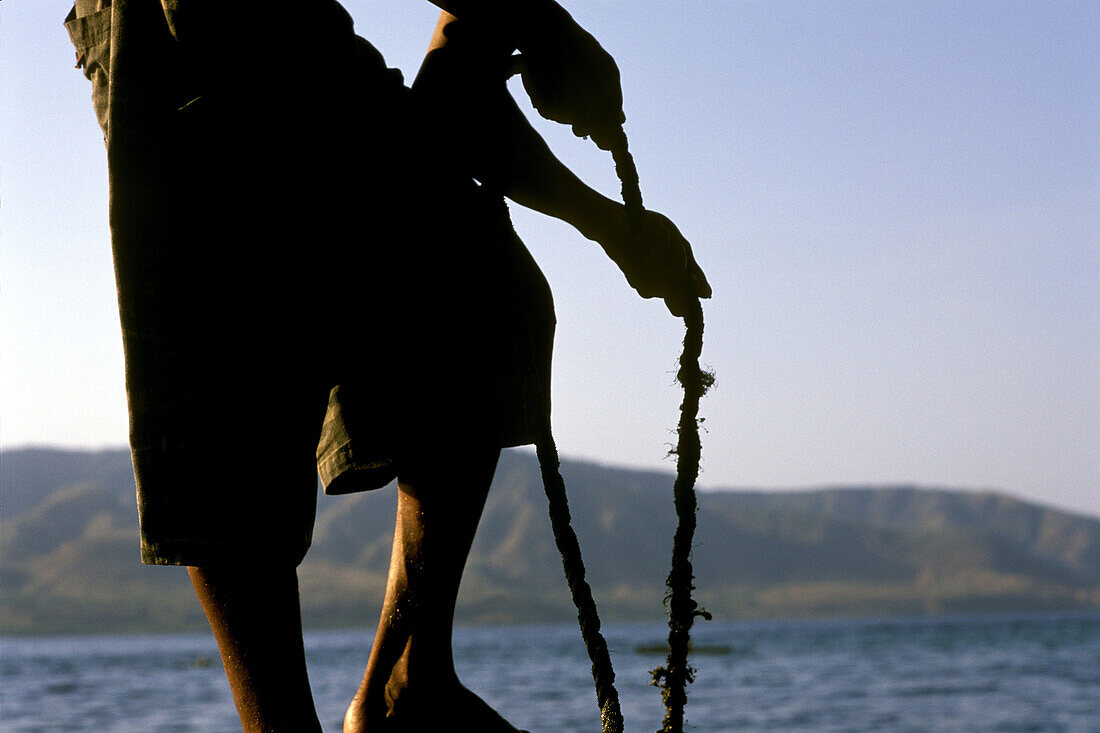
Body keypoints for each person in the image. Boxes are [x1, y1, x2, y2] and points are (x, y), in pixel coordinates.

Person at [65, 1, 710, 731]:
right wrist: (543, 24)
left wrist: (612, 226)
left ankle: (410, 685)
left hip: (299, 31)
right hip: (191, 29)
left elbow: (448, 108)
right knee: (239, 384)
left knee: (481, 287)